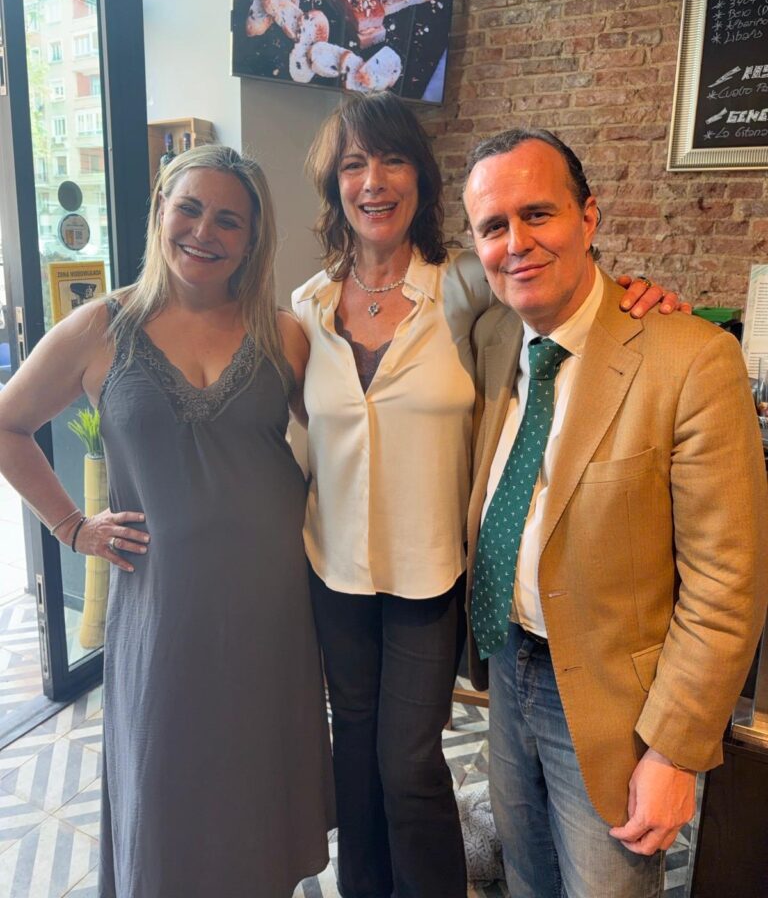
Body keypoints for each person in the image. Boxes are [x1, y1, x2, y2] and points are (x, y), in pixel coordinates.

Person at [292, 91, 683, 898]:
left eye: (392, 159)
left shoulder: (465, 284)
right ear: (334, 184)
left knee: (408, 764)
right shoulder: (307, 306)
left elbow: (561, 290)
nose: (374, 180)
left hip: (431, 574)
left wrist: (639, 295)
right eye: (355, 164)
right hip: (333, 573)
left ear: (422, 178)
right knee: (354, 755)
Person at [0, 145, 334, 898]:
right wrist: (71, 526)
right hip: (162, 611)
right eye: (190, 208)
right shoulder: (100, 328)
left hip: (272, 610)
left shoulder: (284, 335)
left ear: (252, 238)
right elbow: (7, 425)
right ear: (160, 212)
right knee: (164, 782)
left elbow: (345, 441)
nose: (204, 232)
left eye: (229, 220)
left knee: (257, 783)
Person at [462, 126, 768, 898]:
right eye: (493, 226)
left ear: (589, 217)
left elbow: (727, 585)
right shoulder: (496, 337)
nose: (516, 243)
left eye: (538, 214)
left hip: (616, 706)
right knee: (527, 880)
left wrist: (675, 750)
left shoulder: (690, 359)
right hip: (509, 663)